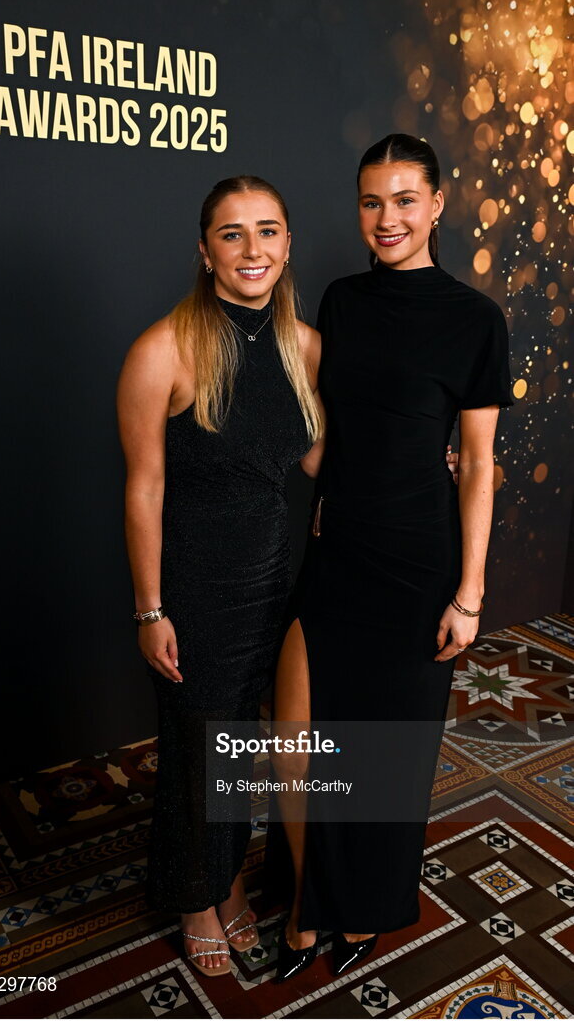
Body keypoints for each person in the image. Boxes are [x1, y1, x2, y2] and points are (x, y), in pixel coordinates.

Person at [271, 133, 514, 982]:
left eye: (404, 200)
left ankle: (360, 907)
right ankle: (307, 903)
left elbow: (478, 463)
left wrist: (470, 592)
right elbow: (331, 435)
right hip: (337, 551)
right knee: (297, 737)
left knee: (381, 751)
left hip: (419, 564)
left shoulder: (475, 320)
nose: (386, 219)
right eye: (372, 202)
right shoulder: (339, 301)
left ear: (438, 204)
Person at [116, 175, 323, 976]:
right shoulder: (160, 349)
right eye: (231, 234)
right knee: (198, 746)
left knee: (243, 746)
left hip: (275, 576)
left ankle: (229, 880)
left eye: (267, 231)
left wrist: (427, 463)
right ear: (204, 252)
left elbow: (316, 460)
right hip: (194, 586)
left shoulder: (304, 348)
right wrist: (149, 611)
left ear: (286, 246)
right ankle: (194, 897)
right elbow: (143, 489)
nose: (251, 249)